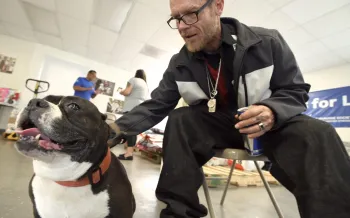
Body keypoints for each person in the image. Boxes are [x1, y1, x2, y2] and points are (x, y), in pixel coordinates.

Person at [108, 0, 350, 217]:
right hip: (217, 126)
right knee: (181, 119)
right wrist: (113, 129)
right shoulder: (179, 64)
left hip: (269, 126)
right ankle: (179, 212)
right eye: (176, 18)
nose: (182, 26)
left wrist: (272, 111)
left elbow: (295, 91)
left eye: (191, 14)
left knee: (319, 133)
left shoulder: (268, 42)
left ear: (218, 7)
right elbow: (156, 105)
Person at [117, 69, 149, 160]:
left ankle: (129, 154)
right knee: (132, 130)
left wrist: (120, 91)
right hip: (140, 108)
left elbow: (127, 92)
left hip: (131, 107)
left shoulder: (133, 80)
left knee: (129, 130)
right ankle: (129, 152)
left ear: (136, 74)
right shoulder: (145, 84)